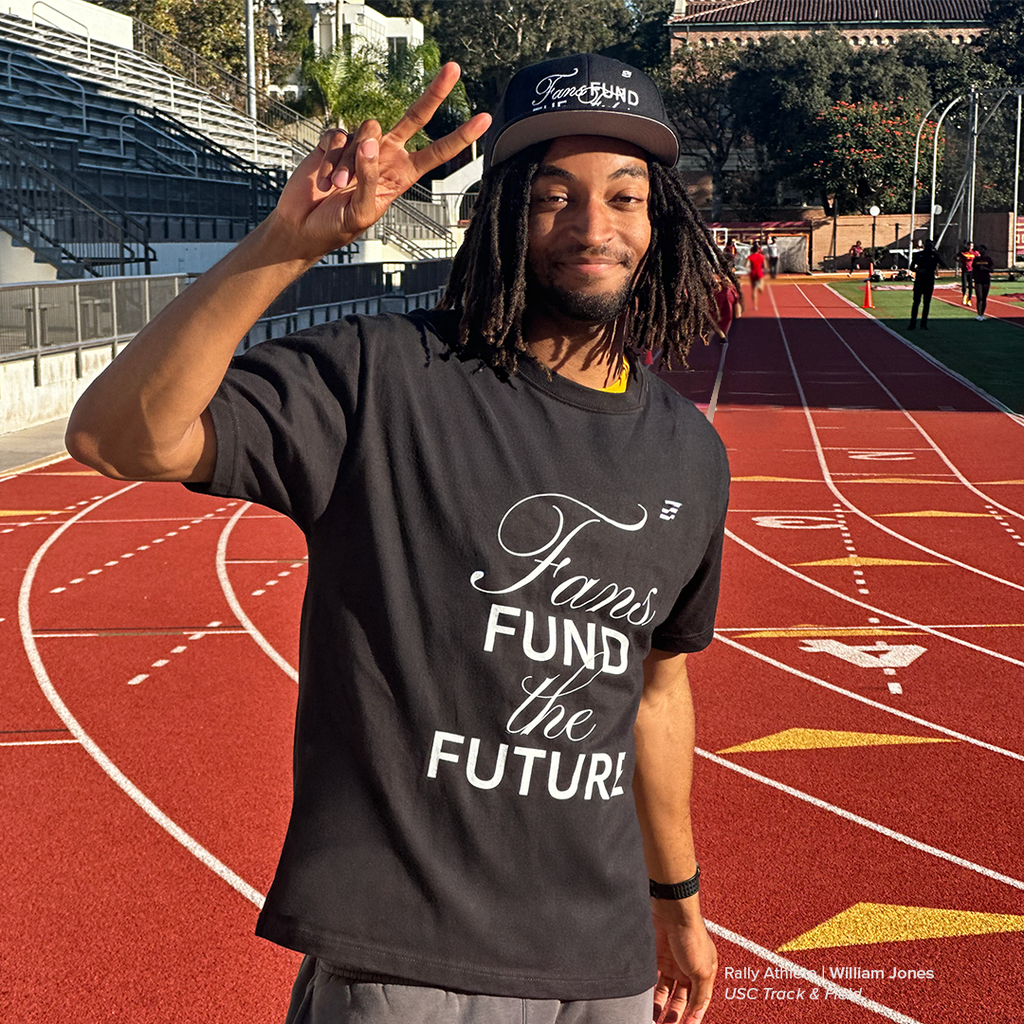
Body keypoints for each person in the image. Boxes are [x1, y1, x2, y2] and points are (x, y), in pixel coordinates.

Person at [65, 54, 733, 1024]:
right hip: (409, 970)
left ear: (657, 221)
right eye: (555, 196)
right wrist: (283, 248)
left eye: (624, 197)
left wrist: (678, 906)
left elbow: (656, 695)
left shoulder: (688, 453)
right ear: (503, 210)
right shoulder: (384, 379)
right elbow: (115, 435)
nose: (594, 226)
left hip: (602, 970)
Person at [907, 238, 947, 331]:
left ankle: (923, 324)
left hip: (929, 280)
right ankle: (913, 323)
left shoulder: (934, 255)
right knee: (916, 302)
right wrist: (919, 271)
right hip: (920, 280)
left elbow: (944, 264)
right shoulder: (918, 255)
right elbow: (912, 267)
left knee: (926, 303)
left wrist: (937, 255)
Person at [972, 244, 995, 320]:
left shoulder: (988, 259)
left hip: (986, 280)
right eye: (980, 249)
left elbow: (992, 270)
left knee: (984, 298)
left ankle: (982, 314)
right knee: (979, 297)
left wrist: (985, 269)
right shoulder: (976, 259)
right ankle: (978, 314)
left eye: (982, 249)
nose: (981, 251)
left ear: (985, 250)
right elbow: (973, 269)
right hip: (978, 280)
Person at [958, 240, 980, 306]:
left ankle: (969, 300)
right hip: (965, 271)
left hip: (971, 271)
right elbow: (955, 257)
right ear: (967, 246)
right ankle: (964, 296)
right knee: (964, 285)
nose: (970, 247)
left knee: (970, 286)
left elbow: (979, 258)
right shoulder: (963, 252)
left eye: (972, 246)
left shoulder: (975, 253)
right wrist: (960, 262)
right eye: (969, 246)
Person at [747, 241, 766, 309]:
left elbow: (746, 266)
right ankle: (759, 286)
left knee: (753, 290)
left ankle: (755, 306)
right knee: (761, 289)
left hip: (753, 273)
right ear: (758, 250)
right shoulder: (761, 257)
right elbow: (765, 266)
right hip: (759, 272)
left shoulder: (750, 257)